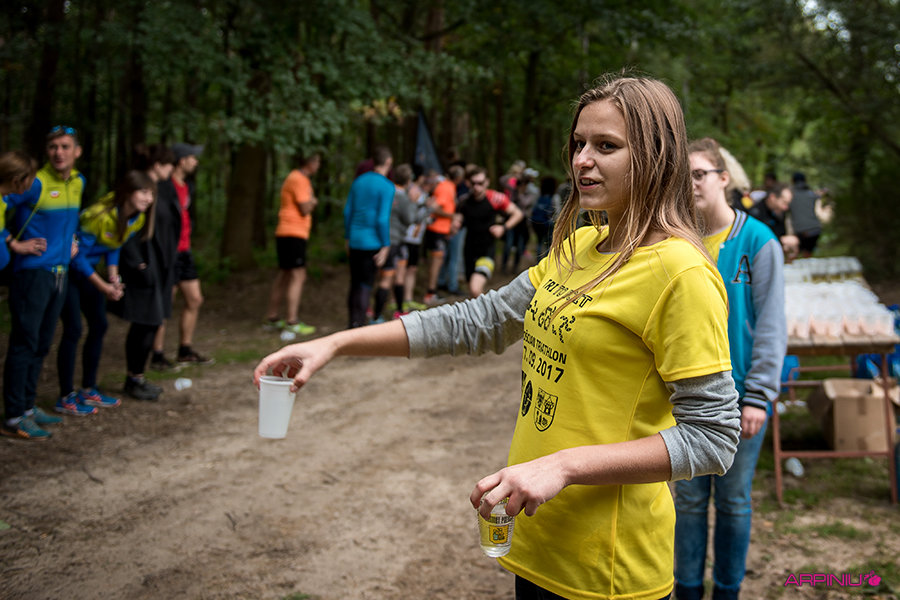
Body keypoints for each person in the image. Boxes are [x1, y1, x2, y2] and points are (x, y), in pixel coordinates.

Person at [253, 75, 741, 600]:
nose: (581, 160)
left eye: (606, 146)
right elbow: (478, 320)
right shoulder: (581, 245)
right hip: (537, 542)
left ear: (656, 157)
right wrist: (334, 343)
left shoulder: (680, 274)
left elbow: (713, 437)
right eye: (579, 143)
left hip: (608, 569)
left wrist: (564, 466)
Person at [674, 138, 787, 600]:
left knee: (734, 501)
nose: (691, 184)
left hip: (741, 400)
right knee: (688, 501)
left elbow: (771, 325)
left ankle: (727, 590)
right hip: (684, 398)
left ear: (724, 179)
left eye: (699, 174)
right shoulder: (676, 239)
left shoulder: (758, 241)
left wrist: (759, 395)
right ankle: (685, 588)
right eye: (683, 176)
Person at [2, 126, 85, 440]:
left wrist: (73, 240)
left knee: (41, 343)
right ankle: (13, 416)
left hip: (61, 273)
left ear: (77, 151)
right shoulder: (34, 182)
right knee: (24, 343)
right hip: (33, 273)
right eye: (53, 147)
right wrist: (13, 242)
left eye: (65, 146)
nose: (58, 152)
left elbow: (70, 221)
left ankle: (27, 406)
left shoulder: (79, 182)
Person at [55, 170, 156, 414]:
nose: (149, 199)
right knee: (73, 330)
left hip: (91, 274)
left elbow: (114, 245)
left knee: (99, 325)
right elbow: (77, 257)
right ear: (128, 192)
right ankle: (66, 396)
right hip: (69, 272)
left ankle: (89, 388)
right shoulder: (97, 216)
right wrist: (103, 286)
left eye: (151, 193)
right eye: (143, 192)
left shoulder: (137, 218)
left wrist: (114, 278)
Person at [111, 144, 176, 400]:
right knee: (145, 323)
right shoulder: (138, 188)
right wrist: (138, 264)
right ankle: (133, 379)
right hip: (143, 268)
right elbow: (125, 230)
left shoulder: (156, 190)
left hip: (157, 266)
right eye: (169, 164)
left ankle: (137, 377)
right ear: (157, 164)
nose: (148, 198)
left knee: (152, 323)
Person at [151, 142, 213, 368]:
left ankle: (185, 349)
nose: (195, 162)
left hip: (185, 251)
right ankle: (157, 354)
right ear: (181, 160)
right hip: (169, 253)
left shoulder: (188, 186)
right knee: (165, 303)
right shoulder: (162, 187)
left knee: (195, 299)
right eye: (192, 157)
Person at [264, 153, 321, 338]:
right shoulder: (299, 179)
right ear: (310, 162)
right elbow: (305, 207)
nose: (319, 165)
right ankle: (292, 321)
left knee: (285, 275)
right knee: (298, 275)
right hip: (293, 233)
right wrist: (313, 201)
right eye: (317, 161)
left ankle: (272, 317)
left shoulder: (296, 177)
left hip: (288, 233)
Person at [343, 145, 394, 328]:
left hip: (355, 240)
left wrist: (347, 238)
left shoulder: (358, 181)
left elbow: (347, 212)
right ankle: (359, 326)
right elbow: (382, 219)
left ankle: (352, 323)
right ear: (388, 162)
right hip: (372, 243)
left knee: (355, 283)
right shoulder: (387, 186)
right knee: (366, 284)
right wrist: (386, 245)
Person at [455, 166, 522, 297]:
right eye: (473, 183)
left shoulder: (496, 198)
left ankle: (488, 309)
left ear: (487, 182)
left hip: (486, 251)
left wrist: (503, 227)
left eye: (480, 183)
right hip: (469, 251)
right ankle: (484, 308)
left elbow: (518, 214)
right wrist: (454, 225)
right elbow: (457, 220)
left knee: (475, 289)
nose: (476, 187)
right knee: (473, 292)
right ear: (468, 183)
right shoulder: (464, 201)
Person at [373, 163, 416, 322]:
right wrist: (414, 202)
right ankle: (397, 312)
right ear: (408, 180)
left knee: (384, 277)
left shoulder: (386, 191)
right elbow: (410, 219)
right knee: (396, 277)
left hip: (381, 240)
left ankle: (377, 315)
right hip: (396, 242)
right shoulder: (403, 197)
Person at [422, 169, 456, 305]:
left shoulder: (445, 186)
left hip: (440, 230)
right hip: (437, 231)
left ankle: (432, 291)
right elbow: (435, 208)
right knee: (436, 262)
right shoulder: (446, 187)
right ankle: (430, 293)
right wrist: (452, 216)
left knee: (437, 262)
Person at [0, 151, 39, 271]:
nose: (33, 182)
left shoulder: (3, 200)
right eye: (30, 178)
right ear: (16, 181)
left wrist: (10, 241)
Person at [788, 172, 821, 257]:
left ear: (793, 181)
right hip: (815, 228)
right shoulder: (811, 194)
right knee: (807, 254)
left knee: (795, 254)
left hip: (800, 230)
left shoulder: (790, 195)